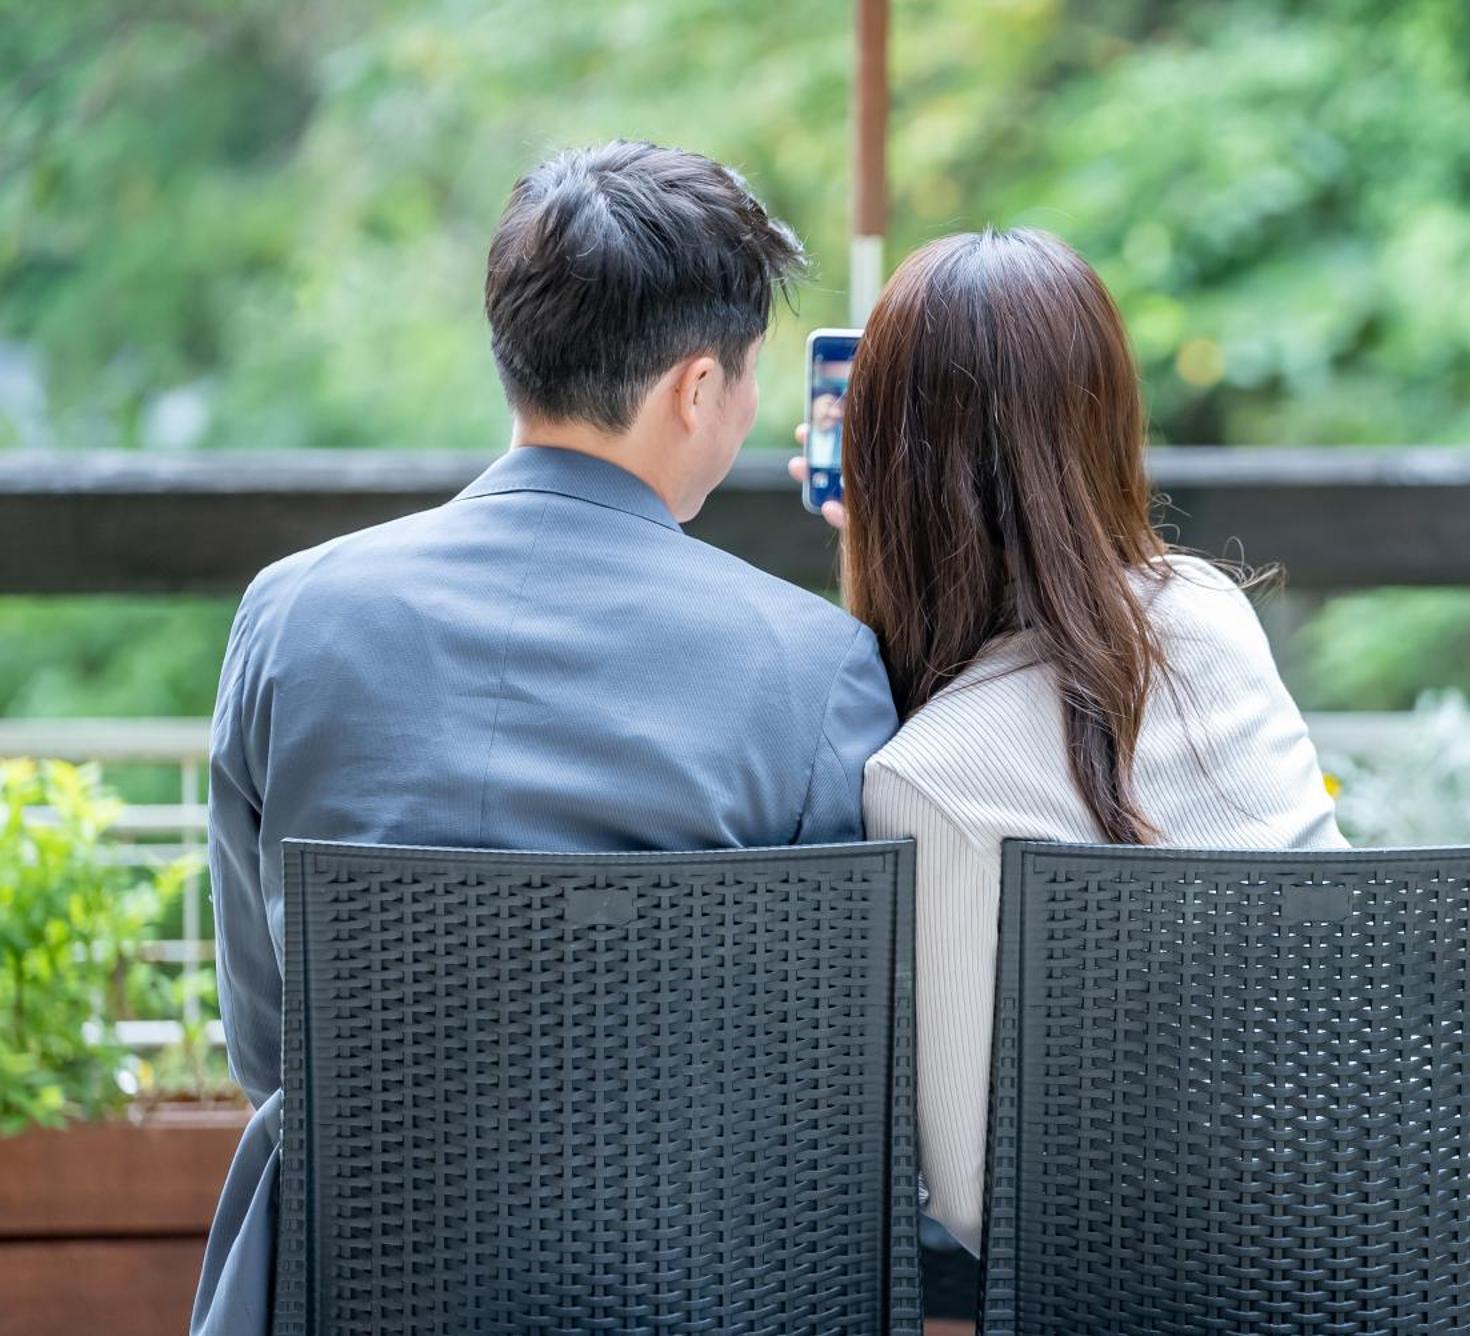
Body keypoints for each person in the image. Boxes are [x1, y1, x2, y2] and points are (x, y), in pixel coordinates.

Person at [191, 142, 898, 1335]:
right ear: (693, 388)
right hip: (685, 1292)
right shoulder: (812, 664)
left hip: (346, 1285)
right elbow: (824, 1088)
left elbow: (272, 1043)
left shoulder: (292, 612)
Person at [794, 227, 1347, 1257]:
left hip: (1136, 1285)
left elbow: (978, 1201)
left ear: (882, 466)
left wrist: (885, 539)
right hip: (1333, 1237)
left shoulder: (925, 777)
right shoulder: (1210, 611)